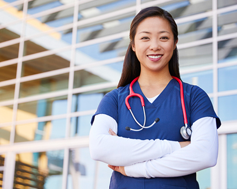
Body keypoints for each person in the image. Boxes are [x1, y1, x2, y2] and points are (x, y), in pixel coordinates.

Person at [89, 6, 221, 189]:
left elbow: (206, 154)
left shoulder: (194, 97)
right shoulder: (115, 99)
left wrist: (134, 169)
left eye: (164, 37)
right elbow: (98, 148)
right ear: (133, 45)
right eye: (145, 37)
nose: (154, 45)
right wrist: (177, 147)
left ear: (174, 43)